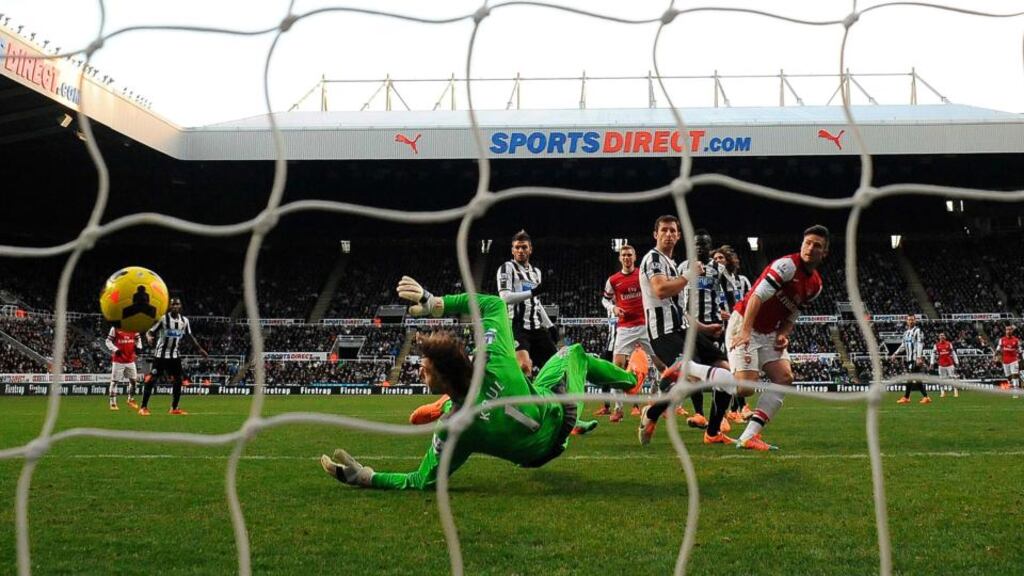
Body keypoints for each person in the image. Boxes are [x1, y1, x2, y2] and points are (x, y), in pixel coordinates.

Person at [320, 276, 660, 490]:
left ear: (445, 378)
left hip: (541, 446)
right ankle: (629, 382)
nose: (419, 372)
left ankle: (627, 386)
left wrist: (366, 477)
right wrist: (436, 303)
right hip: (556, 414)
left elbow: (420, 480)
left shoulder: (455, 427)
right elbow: (493, 303)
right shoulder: (492, 358)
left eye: (425, 369)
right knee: (574, 354)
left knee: (565, 361)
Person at [728, 225, 829, 451]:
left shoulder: (816, 286)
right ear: (802, 244)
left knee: (784, 378)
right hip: (744, 321)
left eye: (817, 246)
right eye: (807, 243)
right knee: (745, 388)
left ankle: (749, 437)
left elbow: (793, 314)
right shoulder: (787, 266)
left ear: (824, 253)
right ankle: (698, 372)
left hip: (769, 331)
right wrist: (745, 331)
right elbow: (756, 297)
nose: (810, 248)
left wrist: (783, 333)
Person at [636, 215, 734, 446]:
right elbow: (660, 290)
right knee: (692, 378)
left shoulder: (671, 264)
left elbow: (679, 309)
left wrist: (704, 328)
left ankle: (712, 433)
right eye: (664, 230)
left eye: (673, 231)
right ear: (655, 234)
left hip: (685, 330)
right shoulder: (653, 258)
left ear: (679, 236)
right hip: (664, 333)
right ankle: (653, 412)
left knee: (728, 372)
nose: (669, 234)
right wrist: (689, 276)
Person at [677, 230, 736, 427]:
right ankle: (700, 414)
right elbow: (676, 297)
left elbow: (731, 297)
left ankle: (721, 416)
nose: (700, 248)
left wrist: (732, 321)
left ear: (710, 247)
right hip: (691, 329)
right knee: (694, 370)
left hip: (714, 328)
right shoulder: (683, 267)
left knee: (722, 370)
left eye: (703, 244)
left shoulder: (719, 269)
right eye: (696, 244)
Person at [600, 244, 663, 422]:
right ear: (620, 258)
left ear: (635, 257)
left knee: (661, 365)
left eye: (629, 255)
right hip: (625, 328)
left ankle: (657, 402)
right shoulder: (613, 280)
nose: (627, 258)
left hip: (645, 325)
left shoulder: (643, 275)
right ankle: (618, 409)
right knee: (617, 367)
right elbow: (605, 300)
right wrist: (613, 308)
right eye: (624, 255)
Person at [496, 230, 558, 376]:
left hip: (536, 327)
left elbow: (536, 302)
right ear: (512, 250)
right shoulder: (506, 268)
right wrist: (534, 291)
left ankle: (548, 391)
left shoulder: (536, 272)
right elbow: (505, 297)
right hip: (516, 327)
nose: (520, 250)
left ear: (530, 249)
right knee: (524, 367)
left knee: (556, 367)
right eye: (517, 247)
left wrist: (550, 325)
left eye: (524, 247)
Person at [139, 297, 209, 416]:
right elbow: (150, 331)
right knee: (152, 379)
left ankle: (174, 408)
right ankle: (143, 407)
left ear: (180, 306)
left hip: (174, 356)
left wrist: (200, 349)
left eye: (177, 304)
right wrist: (149, 337)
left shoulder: (184, 321)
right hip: (161, 355)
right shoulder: (164, 319)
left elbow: (190, 336)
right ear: (170, 306)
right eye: (173, 304)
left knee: (178, 381)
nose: (175, 306)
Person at [714, 245, 754, 421]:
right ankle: (738, 408)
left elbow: (751, 301)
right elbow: (706, 303)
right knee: (727, 369)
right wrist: (718, 313)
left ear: (729, 261)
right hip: (719, 330)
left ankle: (735, 409)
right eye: (715, 259)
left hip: (738, 329)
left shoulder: (742, 281)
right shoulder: (712, 282)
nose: (717, 261)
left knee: (737, 368)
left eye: (721, 258)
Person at [892, 314, 931, 405]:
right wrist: (895, 353)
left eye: (912, 320)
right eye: (909, 320)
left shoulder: (918, 330)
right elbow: (903, 345)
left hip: (915, 358)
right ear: (907, 321)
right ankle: (921, 397)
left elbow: (920, 343)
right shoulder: (906, 333)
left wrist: (919, 357)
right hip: (909, 359)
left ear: (915, 321)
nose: (911, 321)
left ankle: (909, 397)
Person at [105, 326, 142, 411]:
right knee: (114, 382)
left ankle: (130, 399)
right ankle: (113, 403)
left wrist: (139, 347)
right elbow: (108, 341)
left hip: (130, 360)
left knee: (134, 382)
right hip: (118, 361)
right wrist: (115, 349)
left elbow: (138, 340)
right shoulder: (115, 328)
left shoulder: (134, 327)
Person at [994, 324, 1021, 398]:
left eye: (1010, 329)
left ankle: (1016, 392)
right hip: (1005, 361)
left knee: (1015, 375)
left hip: (1014, 360)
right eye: (1007, 330)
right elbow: (998, 349)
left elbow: (1019, 350)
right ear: (1005, 331)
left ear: (1012, 331)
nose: (1008, 331)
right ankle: (1011, 386)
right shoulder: (1002, 340)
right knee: (1008, 377)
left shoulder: (1016, 340)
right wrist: (995, 357)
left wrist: (1020, 358)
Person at [932, 332, 959, 398]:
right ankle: (942, 393)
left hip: (950, 364)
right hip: (941, 365)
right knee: (941, 379)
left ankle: (955, 392)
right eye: (941, 335)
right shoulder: (936, 345)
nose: (942, 336)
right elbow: (933, 354)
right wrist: (932, 363)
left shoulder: (949, 344)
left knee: (953, 378)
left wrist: (956, 361)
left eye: (943, 335)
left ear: (945, 337)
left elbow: (953, 353)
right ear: (939, 337)